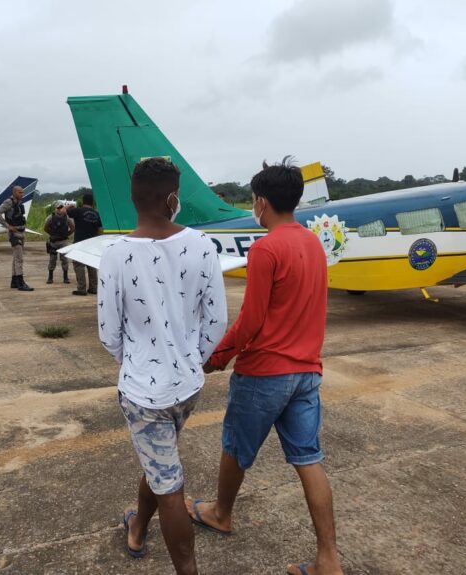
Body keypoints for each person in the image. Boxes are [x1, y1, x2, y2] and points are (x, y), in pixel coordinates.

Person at [185, 158, 343, 575]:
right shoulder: (312, 243)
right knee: (308, 459)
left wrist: (217, 356)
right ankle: (328, 559)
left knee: (236, 448)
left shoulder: (266, 248)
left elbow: (251, 321)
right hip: (307, 372)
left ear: (260, 202)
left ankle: (221, 513)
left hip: (265, 374)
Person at [98, 158, 227, 575]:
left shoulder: (114, 255)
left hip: (143, 393)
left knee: (170, 487)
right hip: (188, 387)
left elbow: (108, 331)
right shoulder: (203, 245)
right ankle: (137, 526)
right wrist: (193, 357)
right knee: (159, 461)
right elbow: (217, 320)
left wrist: (134, 360)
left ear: (133, 199)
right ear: (173, 198)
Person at [0, 185, 34, 291]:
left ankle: (14, 281)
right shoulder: (9, 202)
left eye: (22, 192)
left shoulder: (19, 203)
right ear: (14, 192)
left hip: (21, 232)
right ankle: (21, 283)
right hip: (14, 234)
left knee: (16, 258)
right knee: (19, 259)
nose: (22, 194)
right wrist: (8, 226)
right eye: (20, 192)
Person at [67, 193, 103, 295]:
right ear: (92, 202)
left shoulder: (78, 211)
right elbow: (100, 229)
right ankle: (94, 288)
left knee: (79, 266)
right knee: (91, 266)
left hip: (79, 243)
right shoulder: (97, 214)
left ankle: (81, 289)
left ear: (83, 202)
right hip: (92, 243)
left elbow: (63, 211)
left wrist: (69, 205)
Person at [43, 201, 75, 284]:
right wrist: (53, 234)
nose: (60, 210)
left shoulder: (66, 218)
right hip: (54, 242)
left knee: (64, 260)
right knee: (52, 259)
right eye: (58, 208)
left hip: (63, 241)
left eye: (61, 208)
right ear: (56, 209)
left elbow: (72, 228)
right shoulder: (51, 217)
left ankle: (65, 277)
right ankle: (50, 277)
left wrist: (66, 234)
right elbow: (45, 228)